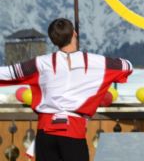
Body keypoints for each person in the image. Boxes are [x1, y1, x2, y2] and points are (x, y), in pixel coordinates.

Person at [0, 18, 133, 161]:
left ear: (53, 40)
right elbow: (127, 66)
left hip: (45, 134)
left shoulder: (40, 63)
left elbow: (8, 73)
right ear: (75, 33)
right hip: (73, 133)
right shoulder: (97, 63)